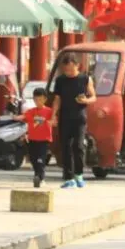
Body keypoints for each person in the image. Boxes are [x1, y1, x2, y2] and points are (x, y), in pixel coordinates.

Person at [50, 55, 96, 189]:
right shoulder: (60, 80)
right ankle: (69, 178)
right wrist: (53, 115)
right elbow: (57, 99)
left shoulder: (85, 79)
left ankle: (79, 175)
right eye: (66, 69)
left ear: (77, 66)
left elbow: (93, 97)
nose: (68, 72)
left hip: (79, 117)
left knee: (78, 146)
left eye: (70, 69)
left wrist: (86, 100)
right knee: (65, 147)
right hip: (65, 117)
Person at [16, 87, 55, 188]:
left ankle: (40, 178)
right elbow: (23, 117)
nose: (38, 102)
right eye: (36, 100)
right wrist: (15, 117)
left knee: (40, 159)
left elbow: (55, 122)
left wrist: (50, 122)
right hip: (32, 139)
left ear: (45, 99)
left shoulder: (49, 111)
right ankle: (38, 176)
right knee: (33, 159)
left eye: (40, 99)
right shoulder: (31, 111)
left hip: (44, 140)